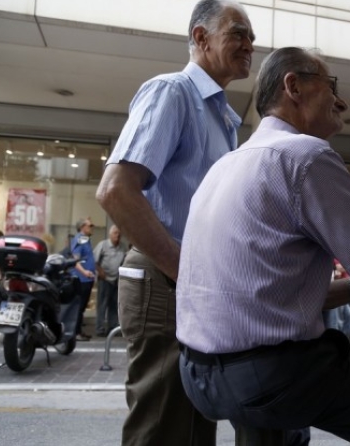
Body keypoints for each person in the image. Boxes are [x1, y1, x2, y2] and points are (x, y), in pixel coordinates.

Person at [176, 46, 350, 446]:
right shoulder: (304, 156)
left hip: (199, 375)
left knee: (282, 429)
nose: (341, 101)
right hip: (271, 376)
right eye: (332, 85)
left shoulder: (225, 165)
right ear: (294, 86)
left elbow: (266, 301)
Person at [95, 1, 256, 444]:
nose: (250, 45)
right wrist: (187, 272)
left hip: (190, 286)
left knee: (192, 424)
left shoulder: (222, 117)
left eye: (253, 38)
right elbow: (116, 191)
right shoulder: (173, 92)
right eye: (239, 33)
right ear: (201, 38)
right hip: (167, 282)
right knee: (165, 428)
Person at [93, 225, 126, 337]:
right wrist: (101, 272)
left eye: (119, 234)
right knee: (102, 305)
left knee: (113, 305)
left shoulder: (122, 247)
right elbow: (95, 261)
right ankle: (100, 329)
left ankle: (112, 327)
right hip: (105, 279)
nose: (118, 235)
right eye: (116, 233)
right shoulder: (102, 245)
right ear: (110, 234)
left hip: (116, 280)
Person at [70, 217, 96, 342]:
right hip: (82, 279)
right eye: (90, 225)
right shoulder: (80, 239)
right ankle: (75, 332)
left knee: (82, 306)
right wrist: (85, 272)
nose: (92, 228)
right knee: (79, 306)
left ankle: (78, 331)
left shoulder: (85, 240)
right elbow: (75, 260)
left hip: (87, 279)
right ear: (82, 227)